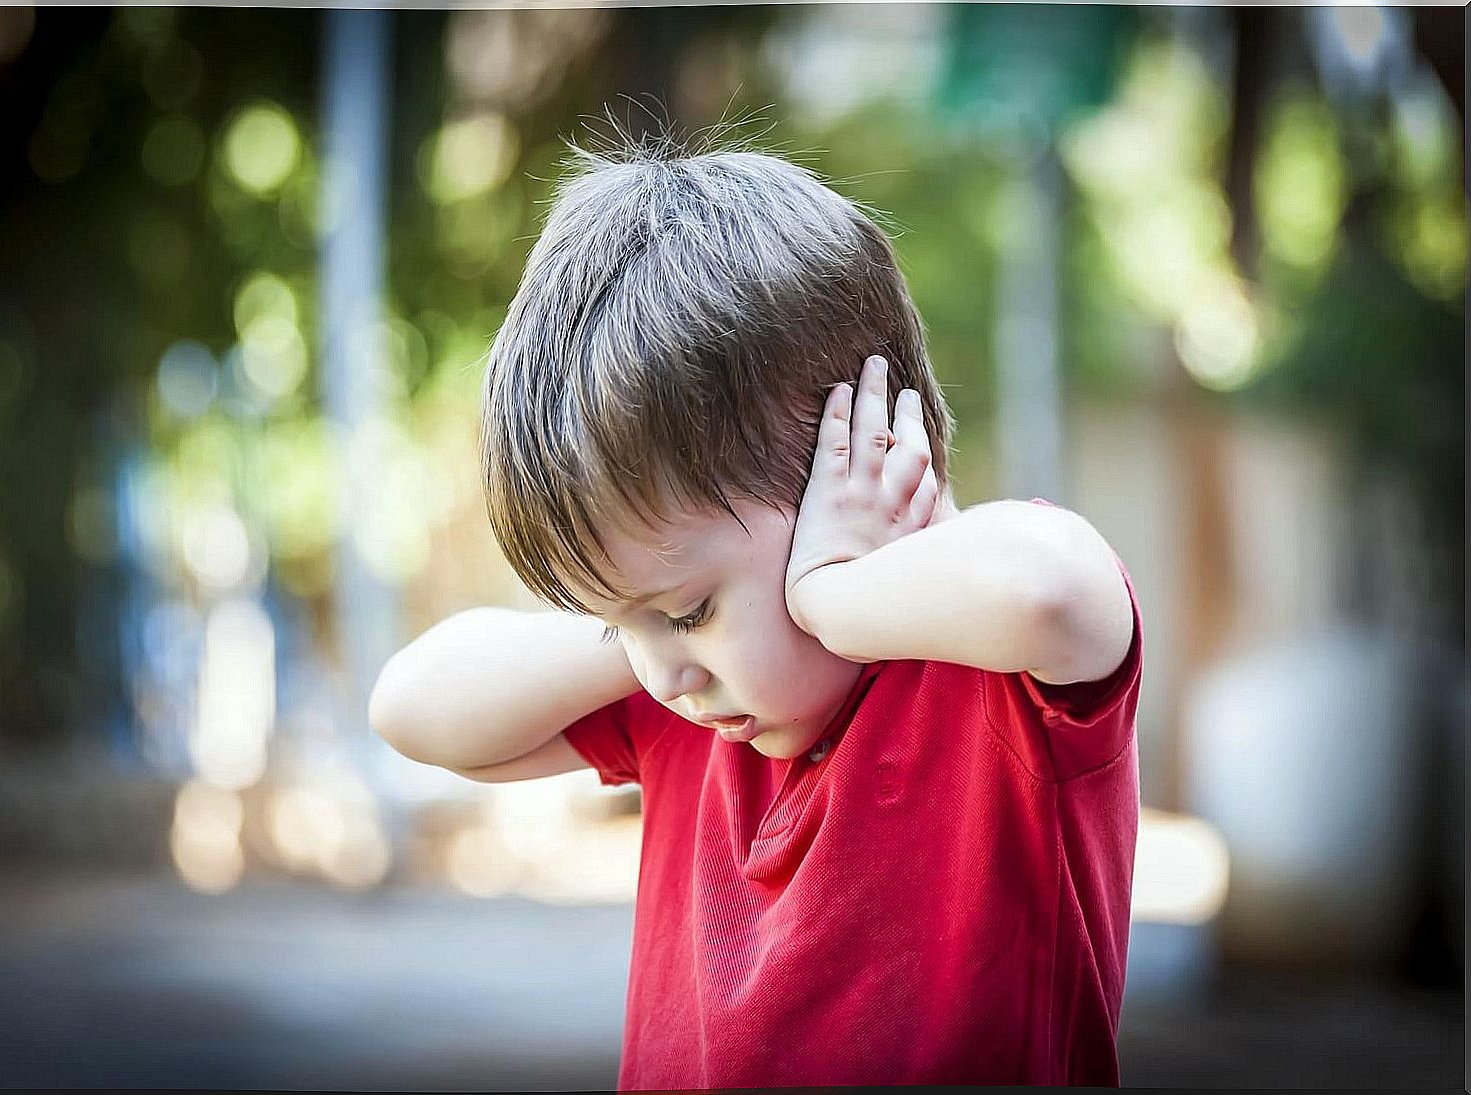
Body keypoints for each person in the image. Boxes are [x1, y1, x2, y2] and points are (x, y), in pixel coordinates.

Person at [369, 137, 1143, 1088]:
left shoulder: (996, 683)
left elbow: (1055, 586)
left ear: (863, 457)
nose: (668, 675)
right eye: (626, 624)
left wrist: (832, 595)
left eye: (692, 608)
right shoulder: (690, 704)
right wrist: (645, 624)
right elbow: (409, 705)